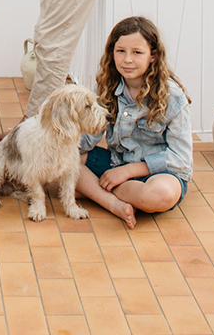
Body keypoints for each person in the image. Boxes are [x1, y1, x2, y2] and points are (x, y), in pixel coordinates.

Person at [76, 16, 192, 228]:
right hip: (114, 162)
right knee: (66, 162)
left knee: (160, 195)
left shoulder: (172, 97)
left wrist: (127, 172)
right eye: (121, 51)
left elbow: (180, 159)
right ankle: (115, 205)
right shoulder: (105, 87)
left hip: (159, 174)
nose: (127, 59)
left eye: (137, 52)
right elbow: (87, 140)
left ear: (153, 56)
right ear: (112, 53)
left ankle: (98, 191)